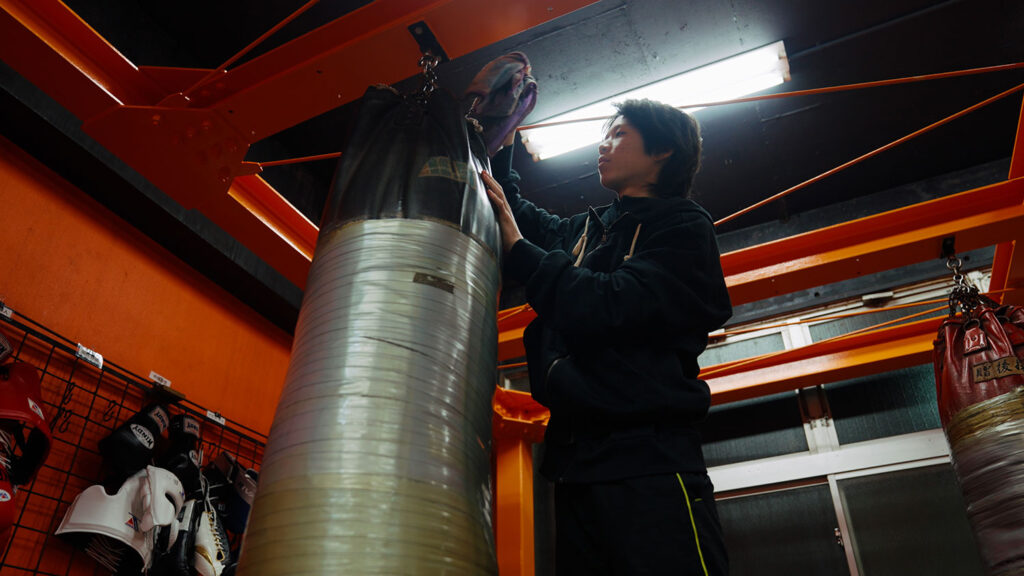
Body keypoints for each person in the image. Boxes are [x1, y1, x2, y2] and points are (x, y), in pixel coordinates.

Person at [482, 98, 732, 575]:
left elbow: (608, 302)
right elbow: (510, 210)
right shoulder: (589, 232)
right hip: (576, 466)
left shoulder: (682, 227)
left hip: (648, 461)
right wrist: (505, 135)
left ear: (662, 150)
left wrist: (521, 252)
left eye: (619, 134)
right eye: (605, 135)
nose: (603, 145)